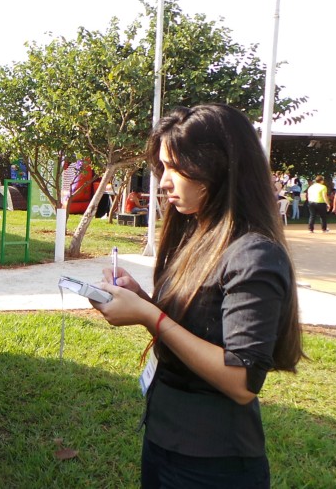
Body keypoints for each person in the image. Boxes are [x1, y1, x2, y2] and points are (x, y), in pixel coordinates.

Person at [89, 104, 304, 488]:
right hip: (164, 438)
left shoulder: (253, 253)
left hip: (213, 462)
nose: (163, 182)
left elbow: (241, 381)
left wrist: (149, 316)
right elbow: (197, 326)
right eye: (162, 168)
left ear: (217, 166)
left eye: (174, 167)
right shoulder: (196, 234)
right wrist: (141, 298)